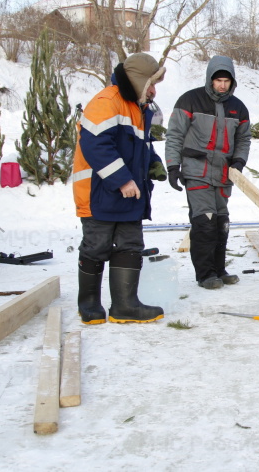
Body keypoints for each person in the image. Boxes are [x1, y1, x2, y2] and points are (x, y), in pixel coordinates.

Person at [72, 53, 168, 324]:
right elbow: (95, 145)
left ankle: (125, 305)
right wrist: (123, 180)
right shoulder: (107, 102)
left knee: (130, 244)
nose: (153, 90)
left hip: (129, 193)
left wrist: (153, 163)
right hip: (99, 191)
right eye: (151, 83)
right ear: (138, 81)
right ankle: (89, 304)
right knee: (96, 245)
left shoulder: (138, 108)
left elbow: (138, 146)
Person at [165, 56, 251, 289]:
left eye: (226, 81)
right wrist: (173, 166)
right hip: (197, 170)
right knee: (204, 221)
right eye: (218, 80)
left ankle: (219, 269)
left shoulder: (238, 107)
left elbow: (243, 139)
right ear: (210, 80)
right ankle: (205, 275)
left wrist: (239, 163)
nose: (222, 85)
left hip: (223, 174)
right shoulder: (190, 100)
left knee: (221, 222)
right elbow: (174, 135)